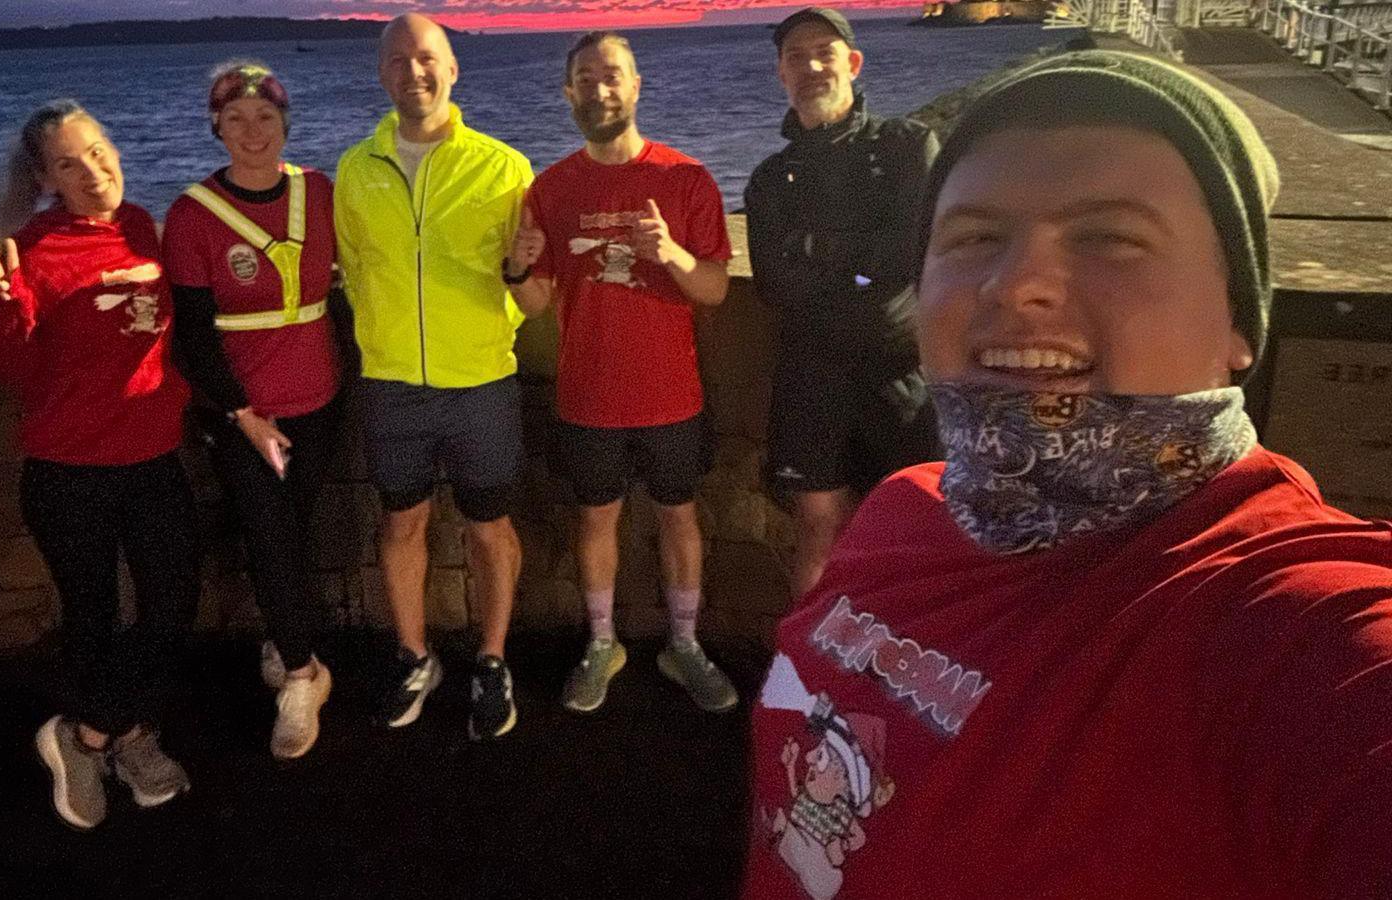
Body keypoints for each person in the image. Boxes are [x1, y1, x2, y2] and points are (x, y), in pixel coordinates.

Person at [743, 51, 1392, 897]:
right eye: (973, 238)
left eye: (1109, 239)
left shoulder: (1292, 637)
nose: (1016, 286)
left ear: (1240, 318)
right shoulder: (905, 508)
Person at [0, 100, 198, 830]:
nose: (93, 170)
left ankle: (84, 737)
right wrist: (8, 306)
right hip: (70, 470)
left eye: (98, 150)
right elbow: (10, 370)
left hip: (153, 457)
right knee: (94, 616)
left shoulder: (138, 225)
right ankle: (128, 740)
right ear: (46, 178)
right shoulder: (33, 253)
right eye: (69, 163)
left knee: (170, 603)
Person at [508, 32, 738, 715]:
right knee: (595, 521)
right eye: (585, 78)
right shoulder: (549, 189)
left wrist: (669, 252)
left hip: (672, 394)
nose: (599, 89)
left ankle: (686, 645)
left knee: (679, 518)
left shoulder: (685, 178)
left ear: (636, 87)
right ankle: (602, 643)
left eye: (612, 76)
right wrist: (517, 268)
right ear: (568, 94)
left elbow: (717, 289)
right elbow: (535, 301)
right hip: (588, 397)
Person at [333, 13, 533, 741]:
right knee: (401, 525)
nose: (413, 72)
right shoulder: (356, 170)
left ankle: (491, 659)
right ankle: (414, 656)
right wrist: (385, 338)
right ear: (382, 75)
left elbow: (525, 274)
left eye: (426, 59)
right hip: (393, 383)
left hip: (481, 379)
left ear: (452, 70)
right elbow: (353, 271)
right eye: (397, 61)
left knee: (490, 528)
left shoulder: (504, 166)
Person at [162, 61, 342, 761]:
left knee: (292, 531)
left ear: (285, 123)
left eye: (265, 116)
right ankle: (303, 674)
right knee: (268, 535)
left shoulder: (319, 192)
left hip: (320, 399)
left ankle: (282, 634)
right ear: (216, 126)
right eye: (235, 118)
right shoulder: (191, 216)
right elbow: (193, 333)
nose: (252, 131)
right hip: (245, 414)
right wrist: (243, 413)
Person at [745, 7, 941, 600]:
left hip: (900, 375)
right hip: (812, 376)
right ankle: (802, 677)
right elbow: (775, 286)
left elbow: (907, 260)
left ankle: (897, 675)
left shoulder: (909, 147)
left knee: (907, 534)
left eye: (824, 53)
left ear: (852, 63)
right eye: (796, 57)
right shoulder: (770, 179)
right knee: (818, 528)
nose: (811, 66)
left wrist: (820, 255)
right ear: (781, 74)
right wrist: (857, 266)